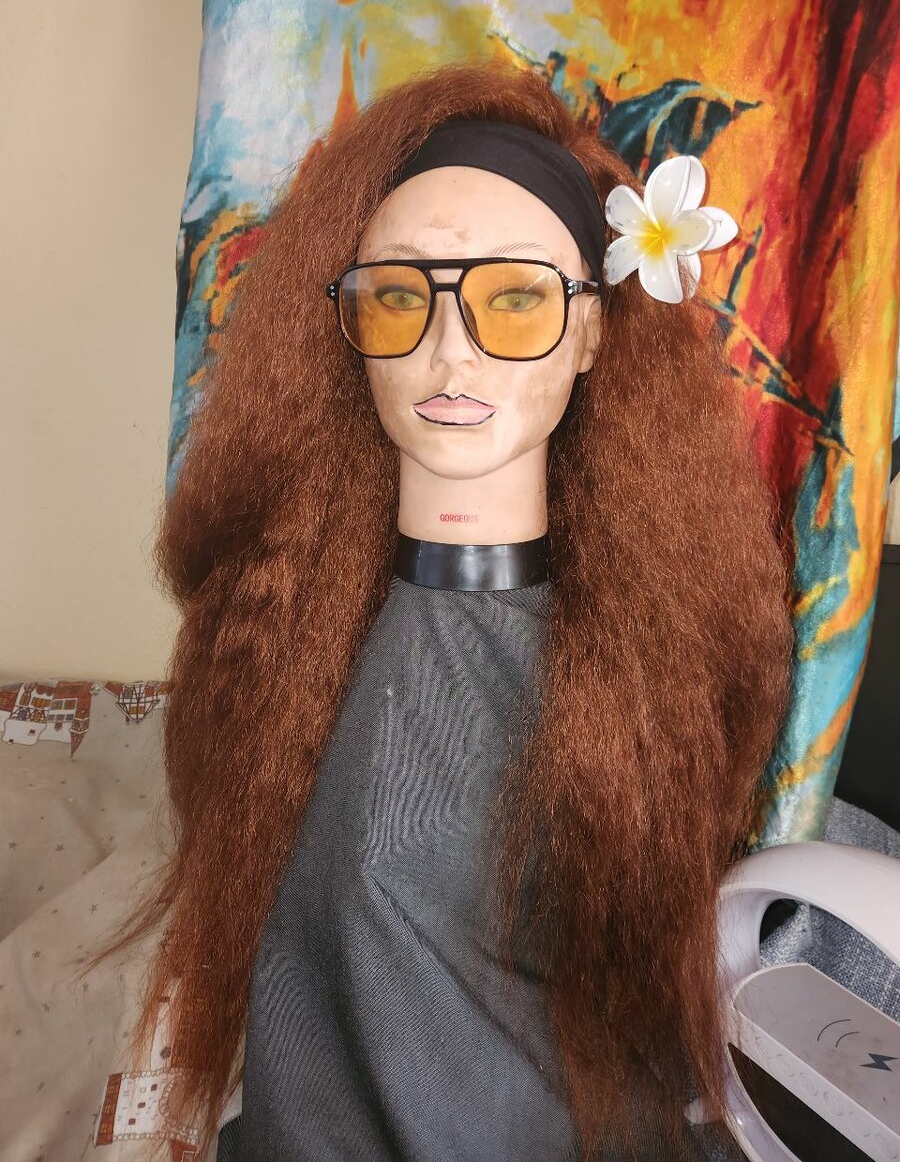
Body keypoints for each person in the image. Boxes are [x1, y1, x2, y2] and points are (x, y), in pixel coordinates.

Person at [90, 62, 794, 1161]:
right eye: (400, 296)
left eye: (514, 298)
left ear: (593, 330)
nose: (450, 349)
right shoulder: (291, 657)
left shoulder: (642, 663)